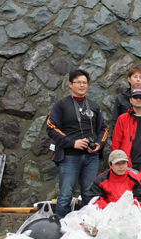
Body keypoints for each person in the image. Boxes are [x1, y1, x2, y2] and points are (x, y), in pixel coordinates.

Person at [46, 69, 108, 221]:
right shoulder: (61, 105)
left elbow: (103, 128)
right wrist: (73, 143)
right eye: (78, 82)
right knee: (65, 194)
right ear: (70, 84)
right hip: (69, 157)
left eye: (84, 82)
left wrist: (99, 144)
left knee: (89, 194)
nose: (82, 85)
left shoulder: (93, 106)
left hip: (91, 157)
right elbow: (51, 127)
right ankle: (62, 227)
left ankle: (87, 225)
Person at [111, 67, 141, 131]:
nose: (138, 80)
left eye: (140, 77)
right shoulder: (121, 98)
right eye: (135, 77)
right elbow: (115, 120)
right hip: (126, 134)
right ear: (129, 79)